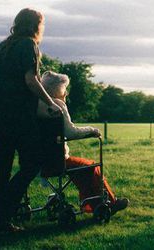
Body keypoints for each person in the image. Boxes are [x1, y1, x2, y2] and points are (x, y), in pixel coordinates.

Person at [0, 8, 62, 232]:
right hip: (17, 118)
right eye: (42, 24)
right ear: (35, 25)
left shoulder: (0, 48)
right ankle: (5, 209)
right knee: (33, 163)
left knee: (2, 168)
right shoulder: (28, 45)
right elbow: (31, 80)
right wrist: (50, 102)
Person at [37, 71, 129, 214]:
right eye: (64, 88)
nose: (66, 93)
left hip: (37, 161)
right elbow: (71, 133)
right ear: (55, 90)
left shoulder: (35, 104)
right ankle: (109, 203)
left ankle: (94, 204)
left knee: (81, 168)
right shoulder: (57, 105)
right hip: (57, 160)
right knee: (91, 166)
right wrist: (92, 130)